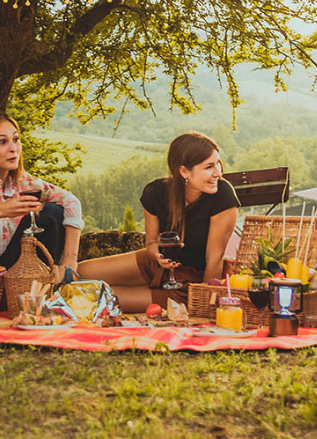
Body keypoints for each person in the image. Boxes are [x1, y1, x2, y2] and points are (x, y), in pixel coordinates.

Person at [78, 132, 239, 312]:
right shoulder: (155, 192)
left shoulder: (223, 196)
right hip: (155, 266)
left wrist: (205, 302)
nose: (218, 172)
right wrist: (157, 256)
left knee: (94, 297)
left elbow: (214, 260)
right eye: (209, 166)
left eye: (218, 163)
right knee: (78, 274)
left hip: (189, 283)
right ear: (184, 171)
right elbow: (152, 243)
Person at [0, 113, 84, 281]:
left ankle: (58, 276)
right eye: (2, 142)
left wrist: (70, 260)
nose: (13, 148)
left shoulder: (21, 181)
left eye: (15, 139)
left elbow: (70, 201)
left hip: (14, 270)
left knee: (52, 212)